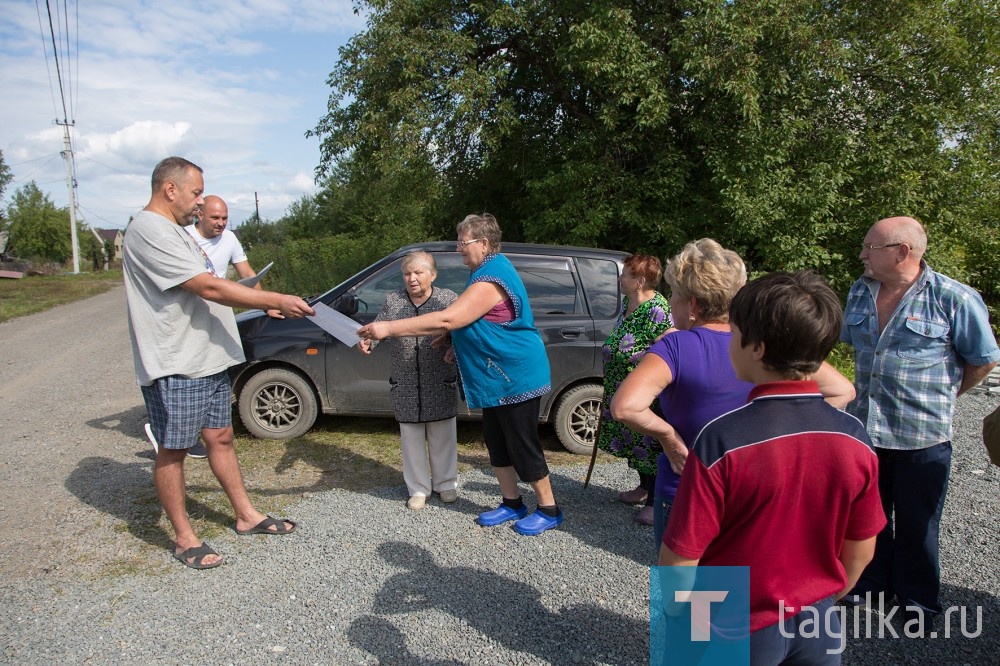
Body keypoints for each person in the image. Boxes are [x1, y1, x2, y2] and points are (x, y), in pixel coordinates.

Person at [659, 271, 886, 663]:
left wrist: (681, 615)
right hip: (818, 621)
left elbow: (681, 557)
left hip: (729, 619)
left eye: (733, 333)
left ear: (757, 348)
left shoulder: (721, 439)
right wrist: (823, 596)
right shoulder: (854, 436)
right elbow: (861, 549)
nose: (729, 342)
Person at [123, 156, 314, 569]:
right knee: (173, 449)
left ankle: (246, 515)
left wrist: (261, 298)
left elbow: (214, 281)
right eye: (195, 194)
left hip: (206, 357)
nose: (198, 203)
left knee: (221, 437)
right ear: (169, 189)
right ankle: (184, 537)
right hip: (178, 363)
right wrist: (274, 300)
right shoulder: (148, 230)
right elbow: (207, 285)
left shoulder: (174, 231)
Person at [611, 239, 855, 553]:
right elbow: (842, 390)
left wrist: (669, 438)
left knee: (685, 594)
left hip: (688, 489)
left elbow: (625, 408)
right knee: (735, 587)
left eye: (674, 295)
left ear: (694, 305)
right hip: (754, 489)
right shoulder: (762, 343)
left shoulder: (675, 346)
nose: (670, 304)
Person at [358, 213, 562, 536]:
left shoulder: (492, 276)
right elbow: (477, 322)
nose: (458, 249)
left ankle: (549, 508)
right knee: (496, 442)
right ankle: (512, 502)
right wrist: (456, 342)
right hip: (496, 378)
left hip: (516, 375)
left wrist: (387, 328)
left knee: (522, 443)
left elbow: (449, 318)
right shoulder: (483, 270)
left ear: (483, 244)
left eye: (463, 243)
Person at [840, 216, 1000, 625]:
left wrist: (945, 397)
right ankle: (869, 586)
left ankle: (917, 600)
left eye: (869, 248)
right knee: (868, 518)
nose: (861, 255)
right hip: (865, 432)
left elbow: (983, 360)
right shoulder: (860, 291)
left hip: (922, 437)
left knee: (918, 524)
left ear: (901, 253)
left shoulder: (954, 298)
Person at [357, 252, 460, 510]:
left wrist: (452, 345)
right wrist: (369, 341)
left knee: (443, 434)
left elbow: (463, 330)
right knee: (411, 437)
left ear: (432, 275)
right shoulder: (394, 301)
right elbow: (379, 328)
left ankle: (446, 483)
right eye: (407, 274)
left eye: (418, 273)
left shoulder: (447, 299)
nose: (412, 279)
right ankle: (418, 488)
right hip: (405, 381)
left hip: (439, 377)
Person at [181, 194, 277, 458]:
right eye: (215, 218)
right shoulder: (183, 236)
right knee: (191, 371)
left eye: (225, 218)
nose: (221, 223)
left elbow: (247, 273)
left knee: (220, 366)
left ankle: (212, 429)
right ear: (200, 215)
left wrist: (266, 303)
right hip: (189, 312)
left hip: (219, 310)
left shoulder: (230, 238)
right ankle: (182, 433)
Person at [596, 254, 671, 526]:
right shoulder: (628, 303)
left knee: (647, 444)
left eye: (625, 274)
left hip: (644, 391)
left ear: (640, 281)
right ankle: (643, 488)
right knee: (632, 441)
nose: (619, 279)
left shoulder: (658, 309)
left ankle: (655, 501)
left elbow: (666, 350)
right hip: (620, 385)